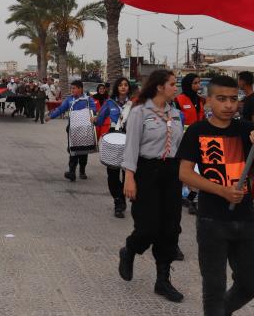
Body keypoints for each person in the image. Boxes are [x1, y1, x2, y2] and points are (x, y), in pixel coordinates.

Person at [178, 74, 254, 316]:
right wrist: (221, 191)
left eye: (233, 99)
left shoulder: (247, 131)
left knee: (249, 285)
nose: (229, 105)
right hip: (211, 220)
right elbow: (184, 174)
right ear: (207, 101)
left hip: (244, 220)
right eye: (221, 99)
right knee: (214, 286)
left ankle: (220, 314)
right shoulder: (197, 131)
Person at [118, 69, 185, 303]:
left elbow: (179, 146)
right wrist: (129, 177)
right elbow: (131, 146)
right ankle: (129, 250)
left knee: (170, 228)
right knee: (148, 226)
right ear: (159, 87)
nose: (176, 88)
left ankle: (163, 281)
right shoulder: (140, 112)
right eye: (172, 84)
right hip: (147, 172)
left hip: (171, 173)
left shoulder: (175, 114)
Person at [95, 77, 132, 219]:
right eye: (121, 85)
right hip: (113, 139)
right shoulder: (109, 103)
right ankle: (118, 200)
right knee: (112, 174)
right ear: (117, 87)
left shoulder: (133, 104)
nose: (123, 87)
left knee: (126, 172)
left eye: (125, 85)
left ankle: (122, 199)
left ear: (128, 88)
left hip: (129, 139)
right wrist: (95, 119)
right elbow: (99, 120)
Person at [47, 80, 96, 181]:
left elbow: (93, 110)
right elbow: (61, 109)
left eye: (74, 88)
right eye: (71, 88)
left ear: (80, 89)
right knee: (73, 150)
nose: (72, 90)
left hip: (85, 128)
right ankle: (72, 171)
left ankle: (82, 170)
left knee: (83, 150)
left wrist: (91, 115)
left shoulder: (88, 100)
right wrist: (51, 116)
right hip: (72, 129)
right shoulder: (69, 100)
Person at [175, 73, 205, 215]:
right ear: (188, 84)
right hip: (182, 139)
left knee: (193, 170)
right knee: (183, 169)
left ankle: (192, 199)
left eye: (199, 82)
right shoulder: (178, 100)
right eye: (195, 83)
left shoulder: (200, 101)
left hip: (198, 139)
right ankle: (182, 198)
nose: (198, 86)